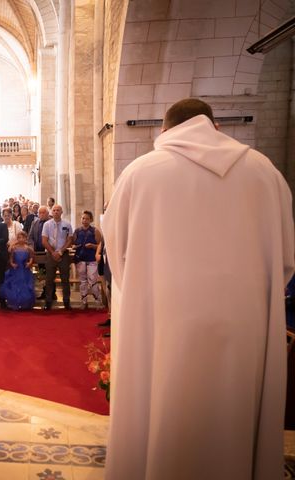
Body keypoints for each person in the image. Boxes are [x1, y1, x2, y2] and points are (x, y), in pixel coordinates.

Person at [102, 98, 295, 480]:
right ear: (215, 127)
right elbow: (286, 261)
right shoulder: (265, 173)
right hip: (245, 331)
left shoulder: (139, 173)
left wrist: (150, 290)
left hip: (162, 329)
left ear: (164, 130)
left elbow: (117, 260)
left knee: (162, 417)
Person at [41, 205, 73, 310]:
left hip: (63, 254)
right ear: (51, 212)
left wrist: (61, 251)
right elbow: (44, 240)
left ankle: (67, 301)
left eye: (58, 210)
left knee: (65, 280)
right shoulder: (47, 224)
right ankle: (48, 302)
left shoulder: (67, 224)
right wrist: (53, 252)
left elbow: (70, 239)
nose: (56, 212)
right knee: (49, 279)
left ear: (61, 212)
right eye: (54, 210)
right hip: (50, 254)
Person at [72, 210, 102, 310]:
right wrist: (74, 247)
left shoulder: (95, 231)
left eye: (87, 219)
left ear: (91, 220)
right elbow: (73, 244)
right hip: (80, 258)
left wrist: (93, 246)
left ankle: (98, 300)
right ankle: (84, 301)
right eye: (83, 218)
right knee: (83, 281)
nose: (84, 220)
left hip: (91, 259)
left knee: (93, 280)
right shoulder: (77, 231)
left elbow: (100, 246)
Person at [0, 230, 35, 310]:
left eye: (23, 237)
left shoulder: (28, 248)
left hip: (25, 269)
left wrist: (29, 263)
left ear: (25, 238)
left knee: (25, 285)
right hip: (16, 269)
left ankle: (24, 303)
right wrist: (12, 264)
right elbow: (11, 258)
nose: (21, 239)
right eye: (19, 238)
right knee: (15, 285)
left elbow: (31, 258)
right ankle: (15, 302)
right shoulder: (14, 248)